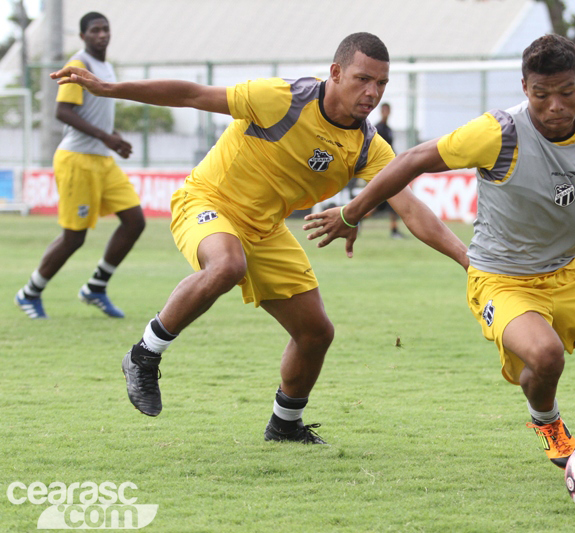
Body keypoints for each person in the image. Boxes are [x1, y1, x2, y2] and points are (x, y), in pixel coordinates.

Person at [51, 32, 468, 444]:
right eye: (363, 79)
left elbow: (412, 209)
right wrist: (109, 88)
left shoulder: (366, 146)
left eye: (381, 84)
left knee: (316, 333)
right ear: (336, 73)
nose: (372, 92)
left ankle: (285, 424)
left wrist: (470, 261)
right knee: (229, 265)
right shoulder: (282, 98)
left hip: (266, 229)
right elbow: (192, 94)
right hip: (207, 200)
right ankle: (143, 354)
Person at [304, 34, 575, 472]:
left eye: (566, 92)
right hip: (501, 279)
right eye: (541, 94)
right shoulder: (498, 133)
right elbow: (413, 158)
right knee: (546, 356)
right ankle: (547, 422)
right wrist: (354, 212)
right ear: (525, 88)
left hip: (571, 272)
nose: (554, 106)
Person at [15, 12, 144, 319]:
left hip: (102, 158)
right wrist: (106, 137)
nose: (102, 34)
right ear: (83, 36)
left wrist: (113, 137)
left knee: (135, 221)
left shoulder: (106, 67)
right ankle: (30, 292)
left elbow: (94, 113)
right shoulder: (78, 65)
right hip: (76, 160)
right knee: (75, 236)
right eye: (95, 30)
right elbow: (62, 112)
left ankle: (96, 286)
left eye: (105, 29)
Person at [371, 102, 404, 238]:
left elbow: (390, 149)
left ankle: (394, 230)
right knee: (379, 203)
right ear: (381, 111)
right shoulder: (377, 128)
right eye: (383, 110)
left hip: (390, 169)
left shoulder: (389, 129)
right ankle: (356, 218)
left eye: (387, 110)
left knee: (387, 202)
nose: (385, 113)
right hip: (381, 170)